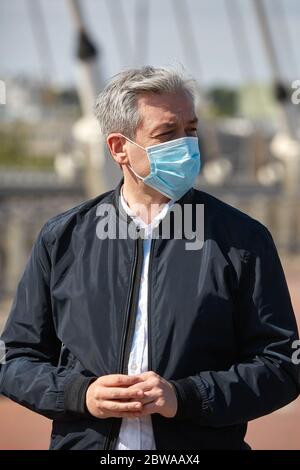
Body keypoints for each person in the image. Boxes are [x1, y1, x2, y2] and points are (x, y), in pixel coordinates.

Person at [0, 66, 299, 450]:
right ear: (119, 147)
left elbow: (282, 365)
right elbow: (15, 360)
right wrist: (80, 394)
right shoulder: (61, 239)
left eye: (191, 130)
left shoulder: (243, 240)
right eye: (167, 134)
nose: (188, 145)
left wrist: (186, 397)